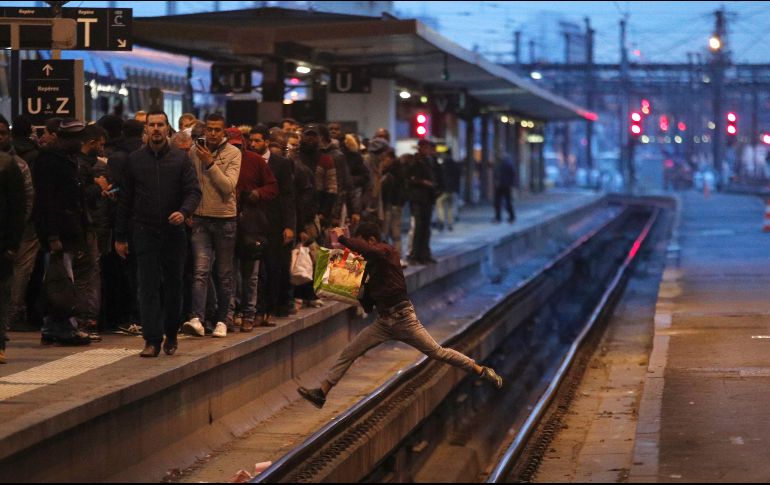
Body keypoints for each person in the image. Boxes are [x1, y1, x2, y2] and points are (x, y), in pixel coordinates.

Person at [297, 222, 503, 409]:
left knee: (438, 352)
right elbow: (368, 304)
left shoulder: (388, 252)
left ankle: (481, 370)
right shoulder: (369, 267)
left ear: (371, 241)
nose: (358, 251)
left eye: (360, 244)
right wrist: (350, 287)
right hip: (384, 323)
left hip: (404, 319)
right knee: (350, 351)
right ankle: (321, 393)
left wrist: (343, 240)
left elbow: (371, 252)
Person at [115, 111, 202, 357]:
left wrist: (184, 212)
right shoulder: (134, 160)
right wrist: (120, 236)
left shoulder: (180, 159)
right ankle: (152, 339)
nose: (155, 129)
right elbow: (125, 199)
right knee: (148, 286)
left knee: (174, 286)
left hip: (173, 232)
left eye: (160, 125)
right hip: (144, 231)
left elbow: (194, 191)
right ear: (146, 129)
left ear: (167, 129)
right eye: (151, 125)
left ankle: (171, 333)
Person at [182, 114, 241, 339]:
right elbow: (190, 184)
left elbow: (228, 187)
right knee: (200, 270)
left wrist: (210, 163)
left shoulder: (233, 154)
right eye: (210, 129)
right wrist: (188, 209)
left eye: (218, 130)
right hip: (200, 219)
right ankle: (196, 318)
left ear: (224, 131)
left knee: (224, 274)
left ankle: (222, 320)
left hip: (225, 219)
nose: (213, 134)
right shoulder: (193, 153)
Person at [231, 128, 278, 331]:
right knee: (228, 273)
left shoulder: (255, 161)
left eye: (238, 146)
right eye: (231, 146)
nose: (235, 150)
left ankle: (249, 313)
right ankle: (231, 313)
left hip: (251, 225)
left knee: (250, 273)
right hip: (225, 222)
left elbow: (273, 188)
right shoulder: (217, 161)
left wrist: (257, 194)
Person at [0, 116, 38, 332]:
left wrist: (15, 237)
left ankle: (4, 332)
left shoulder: (17, 165)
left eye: (3, 133)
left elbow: (25, 201)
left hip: (9, 237)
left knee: (6, 285)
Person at [0, 149, 27, 363]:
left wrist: (12, 244)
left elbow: (18, 207)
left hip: (2, 244)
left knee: (1, 293)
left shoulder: (7, 165)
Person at [407, 139, 438, 264]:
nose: (428, 151)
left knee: (426, 227)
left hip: (428, 198)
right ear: (420, 148)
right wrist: (422, 182)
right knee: (418, 227)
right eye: (425, 148)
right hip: (417, 198)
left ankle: (425, 254)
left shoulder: (430, 161)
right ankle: (414, 255)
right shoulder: (414, 161)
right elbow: (408, 179)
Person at [493, 155, 516, 223]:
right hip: (503, 185)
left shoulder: (505, 164)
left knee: (503, 202)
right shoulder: (503, 164)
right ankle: (508, 217)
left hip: (504, 185)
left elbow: (512, 174)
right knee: (500, 202)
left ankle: (504, 217)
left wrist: (510, 183)